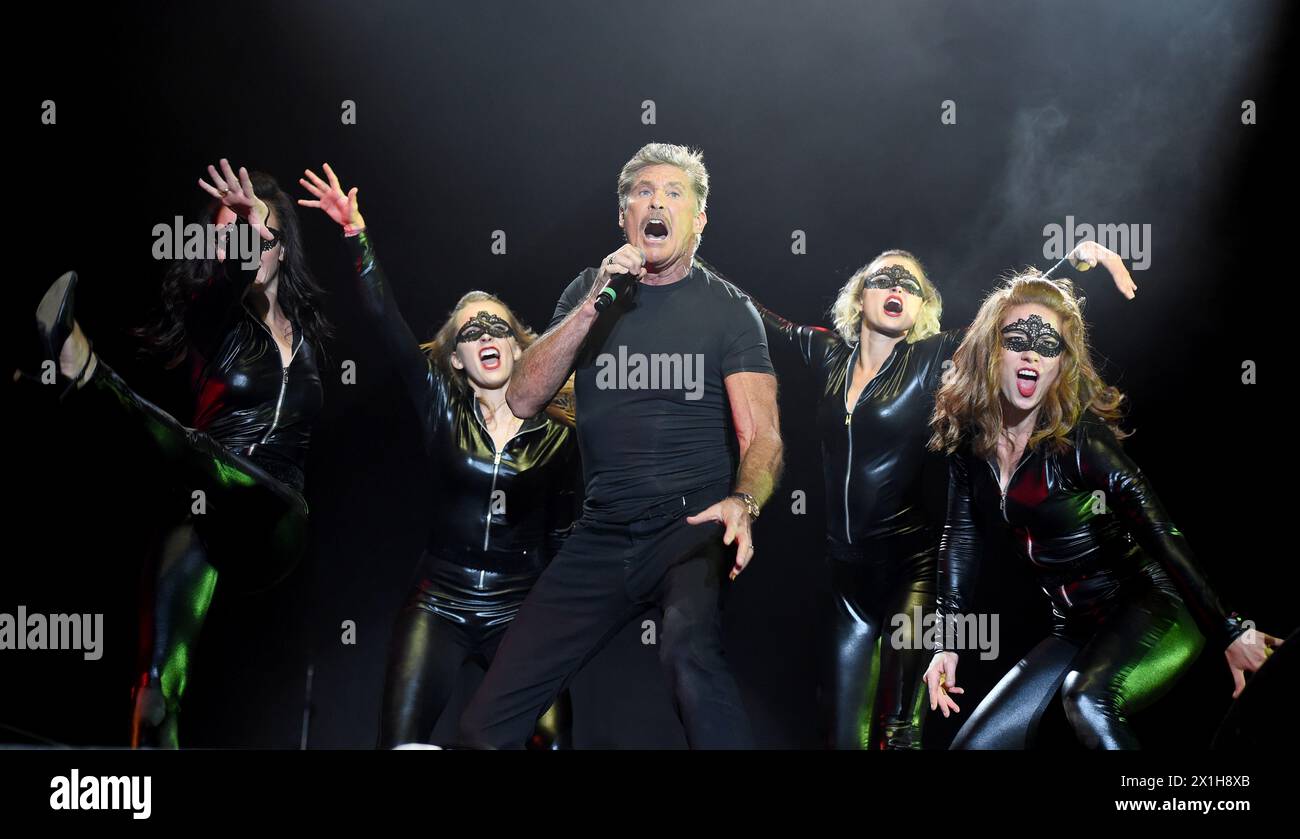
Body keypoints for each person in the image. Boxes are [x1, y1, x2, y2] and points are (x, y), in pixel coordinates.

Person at [458, 142, 784, 748]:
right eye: (641, 193)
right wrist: (593, 305)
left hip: (689, 528)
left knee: (690, 661)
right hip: (602, 534)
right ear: (624, 218)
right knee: (487, 720)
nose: (655, 201)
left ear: (699, 218)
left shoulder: (730, 311)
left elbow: (762, 435)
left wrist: (745, 501)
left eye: (673, 193)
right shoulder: (591, 290)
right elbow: (524, 397)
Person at [922, 271, 1282, 748]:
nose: (1032, 352)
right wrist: (947, 641)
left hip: (1156, 607)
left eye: (1048, 344)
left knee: (1087, 698)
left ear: (1060, 366)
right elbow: (961, 538)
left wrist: (1230, 630)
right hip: (1074, 627)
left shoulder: (1081, 443)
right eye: (1017, 339)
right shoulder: (971, 444)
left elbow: (1161, 532)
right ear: (992, 350)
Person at [297, 165, 581, 748]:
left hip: (520, 608)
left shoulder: (561, 431)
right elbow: (386, 322)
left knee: (552, 741)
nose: (485, 337)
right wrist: (357, 237)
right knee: (400, 742)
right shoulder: (439, 408)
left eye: (496, 328)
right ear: (455, 359)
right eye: (471, 331)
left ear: (519, 345)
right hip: (440, 601)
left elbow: (568, 525)